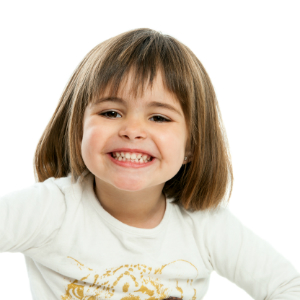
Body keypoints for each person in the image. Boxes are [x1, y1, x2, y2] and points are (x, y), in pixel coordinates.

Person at [0, 28, 299, 300]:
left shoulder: (205, 226)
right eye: (111, 113)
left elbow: (287, 287)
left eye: (159, 117)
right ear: (78, 127)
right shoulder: (51, 210)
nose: (132, 130)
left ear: (191, 145)